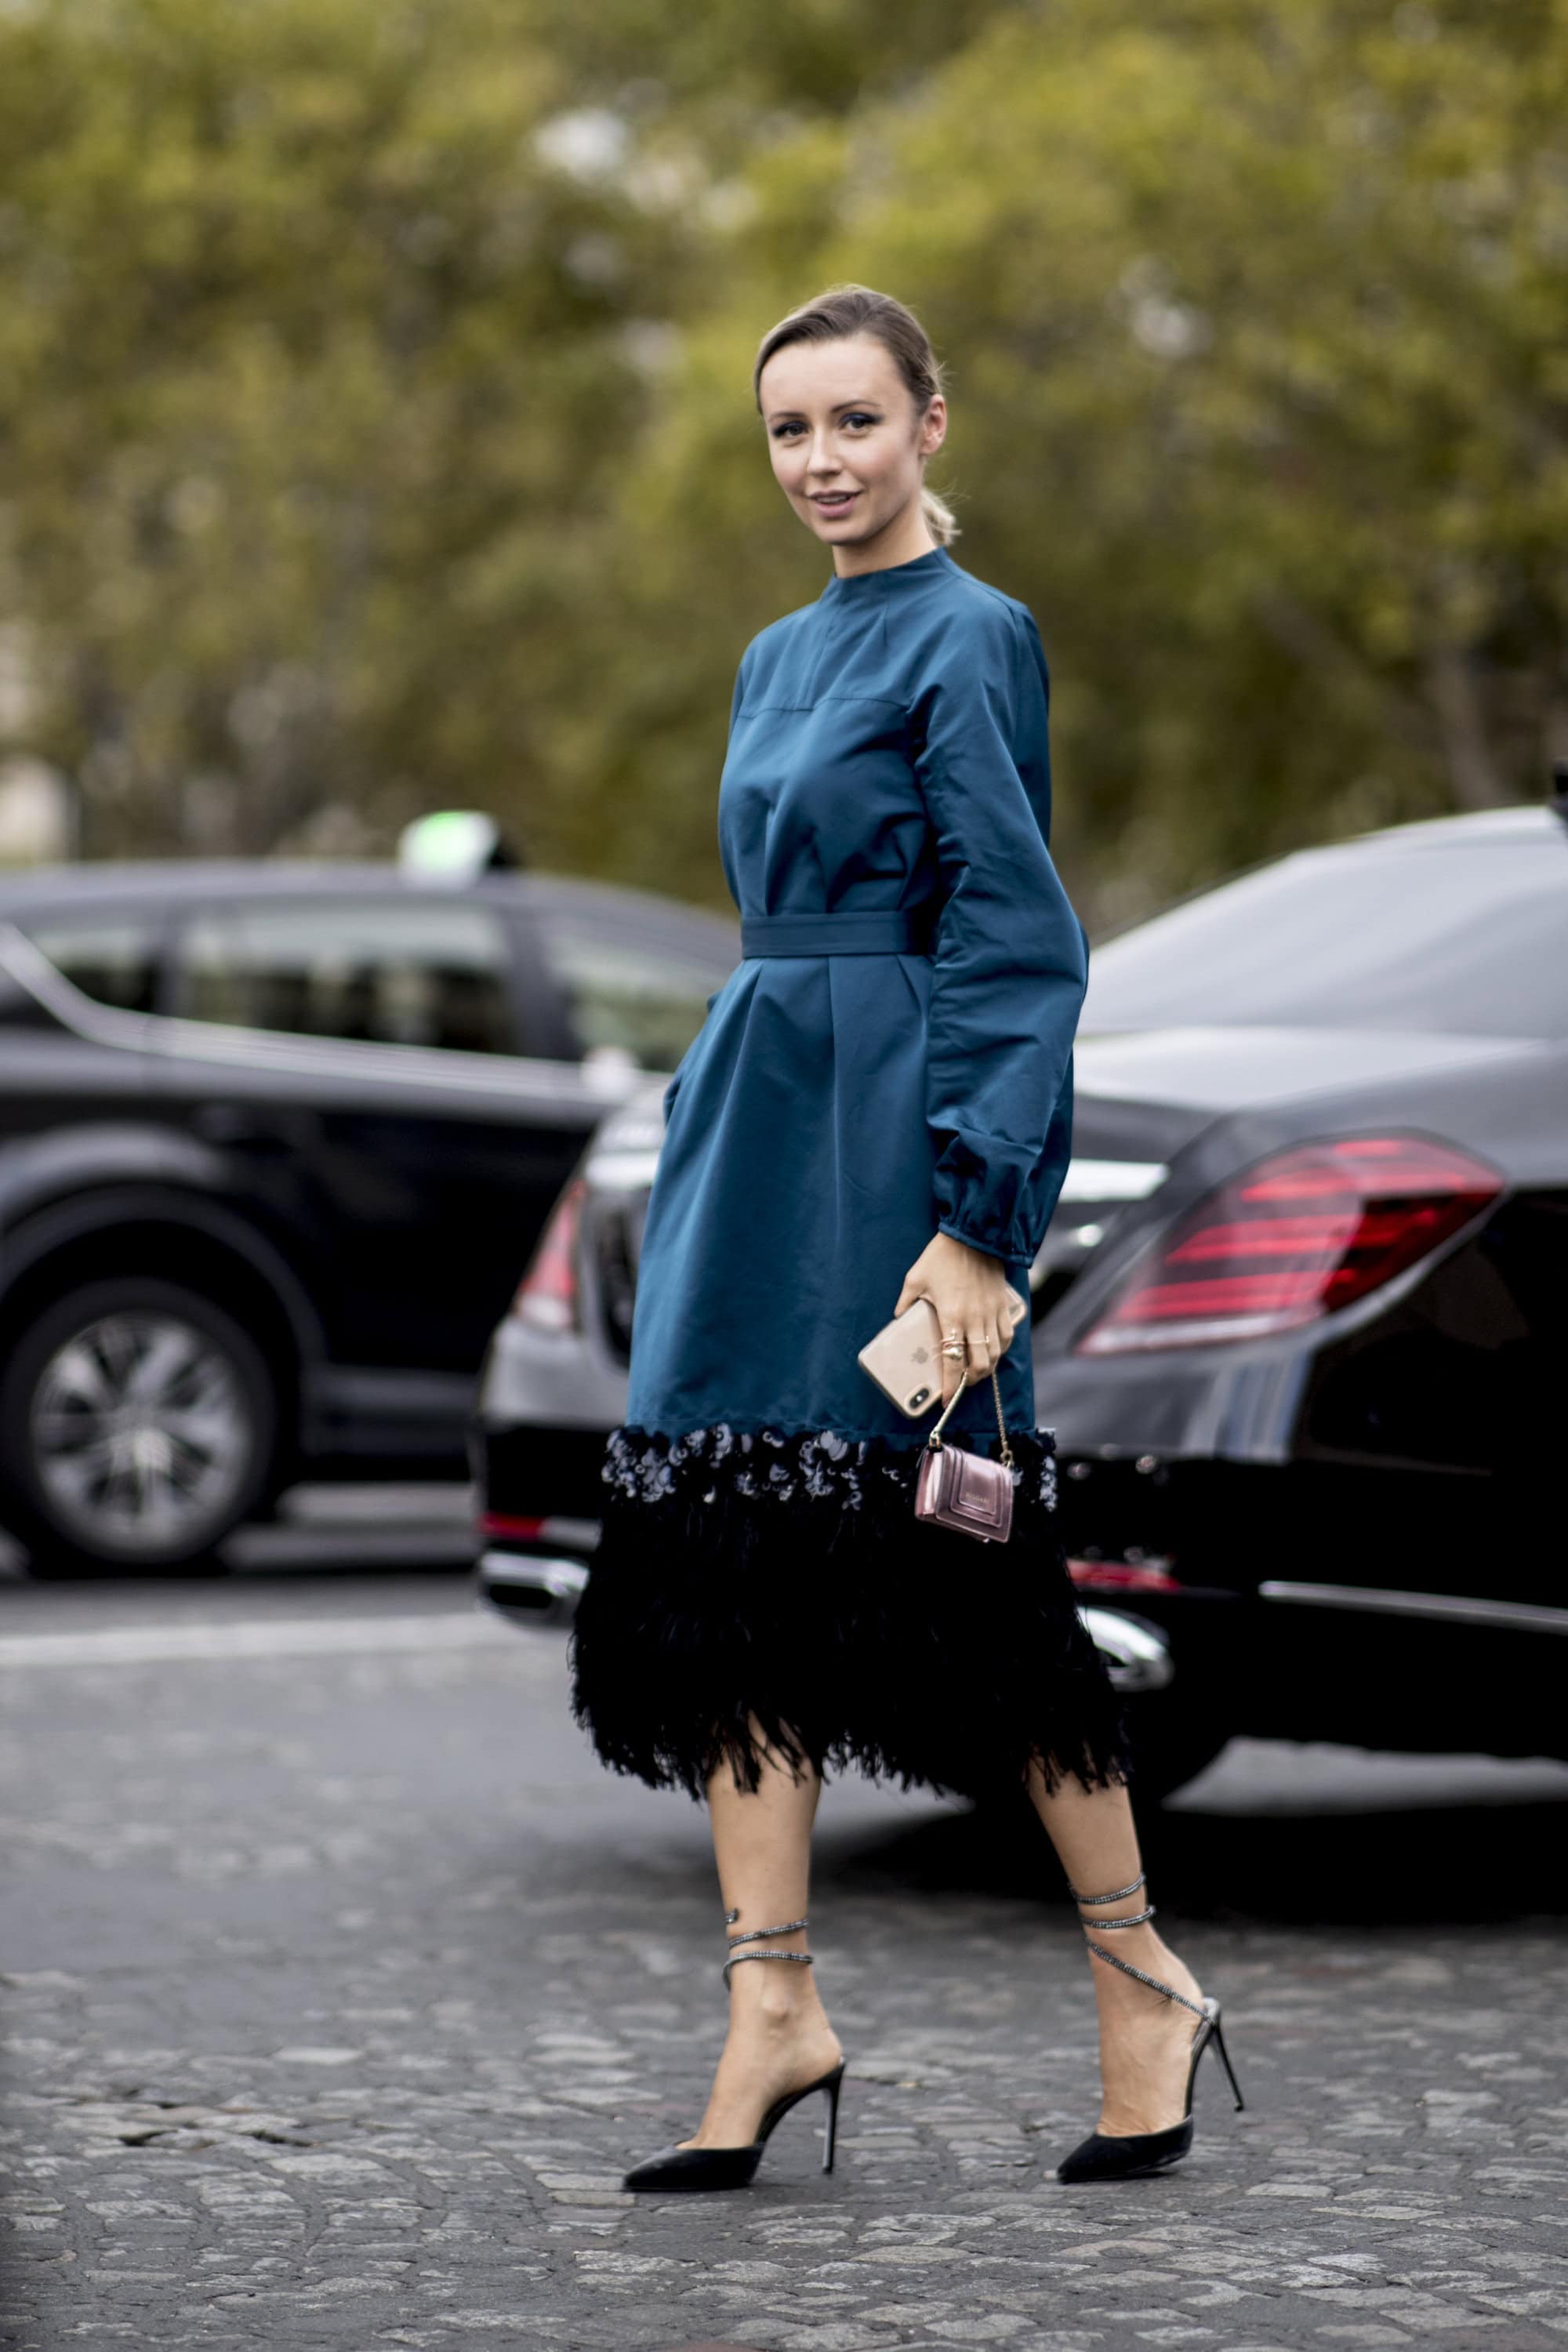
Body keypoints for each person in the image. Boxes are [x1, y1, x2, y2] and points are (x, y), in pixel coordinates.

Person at [569, 283, 1243, 2190]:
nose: (820, 461)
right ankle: (769, 2010)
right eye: (788, 430)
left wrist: (977, 1218)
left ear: (930, 425)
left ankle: (1142, 1987)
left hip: (896, 1146)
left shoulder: (975, 633)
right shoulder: (773, 655)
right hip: (756, 1125)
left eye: (853, 421)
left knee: (970, 1566)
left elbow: (1014, 939)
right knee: (723, 1563)